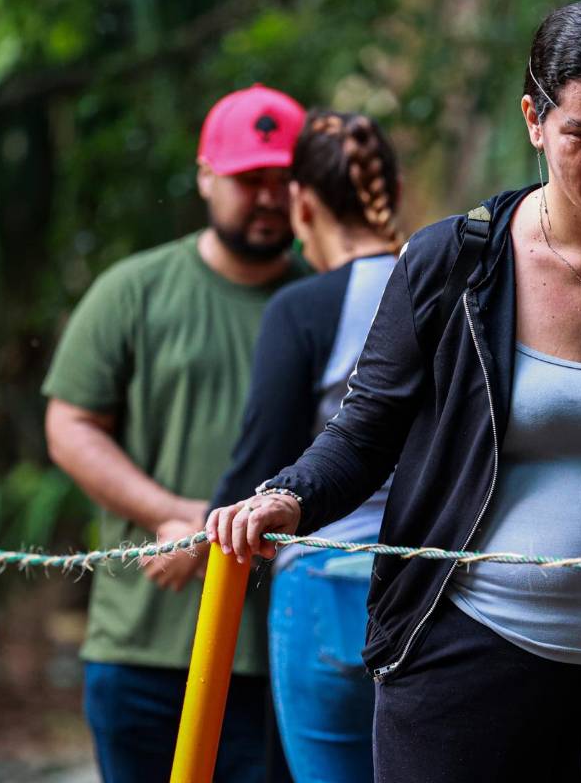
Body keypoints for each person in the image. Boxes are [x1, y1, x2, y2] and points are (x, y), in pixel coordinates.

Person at [208, 0, 581, 783]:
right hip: (465, 665)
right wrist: (289, 497)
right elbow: (363, 432)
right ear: (534, 119)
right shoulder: (452, 263)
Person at [42, 84, 306, 782]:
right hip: (143, 643)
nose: (271, 197)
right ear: (206, 178)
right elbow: (69, 426)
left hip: (282, 650)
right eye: (251, 179)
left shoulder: (330, 303)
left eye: (286, 179)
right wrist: (178, 516)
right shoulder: (133, 291)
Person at [209, 110, 403, 783]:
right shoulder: (452, 290)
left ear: (303, 202)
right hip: (430, 591)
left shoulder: (301, 307)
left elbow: (259, 464)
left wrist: (207, 524)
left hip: (320, 585)